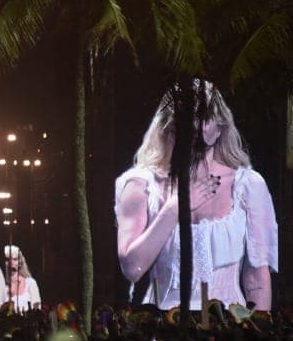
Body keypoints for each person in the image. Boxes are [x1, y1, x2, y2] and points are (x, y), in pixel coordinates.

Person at [115, 80, 277, 310]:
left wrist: (259, 337)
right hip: (162, 327)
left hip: (230, 330)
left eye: (204, 115)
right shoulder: (141, 184)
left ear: (220, 125)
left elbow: (257, 278)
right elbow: (132, 268)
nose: (195, 124)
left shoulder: (249, 185)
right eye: (186, 115)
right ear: (170, 124)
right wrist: (174, 208)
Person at [3, 244, 41, 309]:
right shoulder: (2, 286)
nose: (11, 262)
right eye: (8, 259)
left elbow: (37, 308)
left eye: (15, 259)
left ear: (20, 262)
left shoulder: (30, 283)